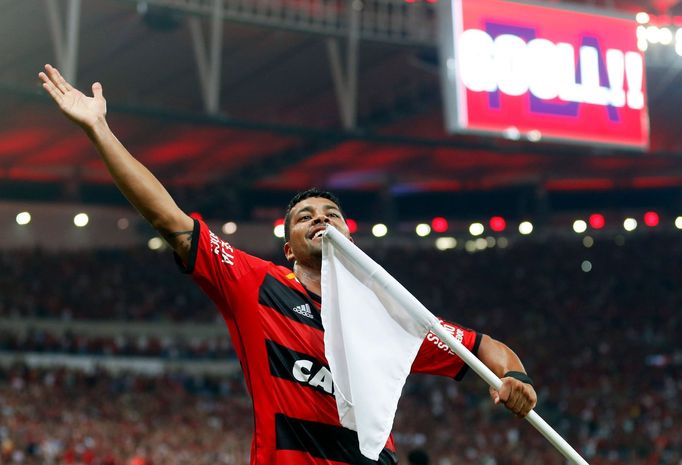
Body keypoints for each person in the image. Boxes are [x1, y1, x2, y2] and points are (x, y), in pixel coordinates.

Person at [39, 64, 537, 465]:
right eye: (305, 218)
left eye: (331, 215)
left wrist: (516, 381)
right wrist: (99, 130)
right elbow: (169, 221)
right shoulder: (253, 283)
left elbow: (485, 348)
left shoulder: (391, 315)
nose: (320, 220)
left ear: (349, 236)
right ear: (290, 248)